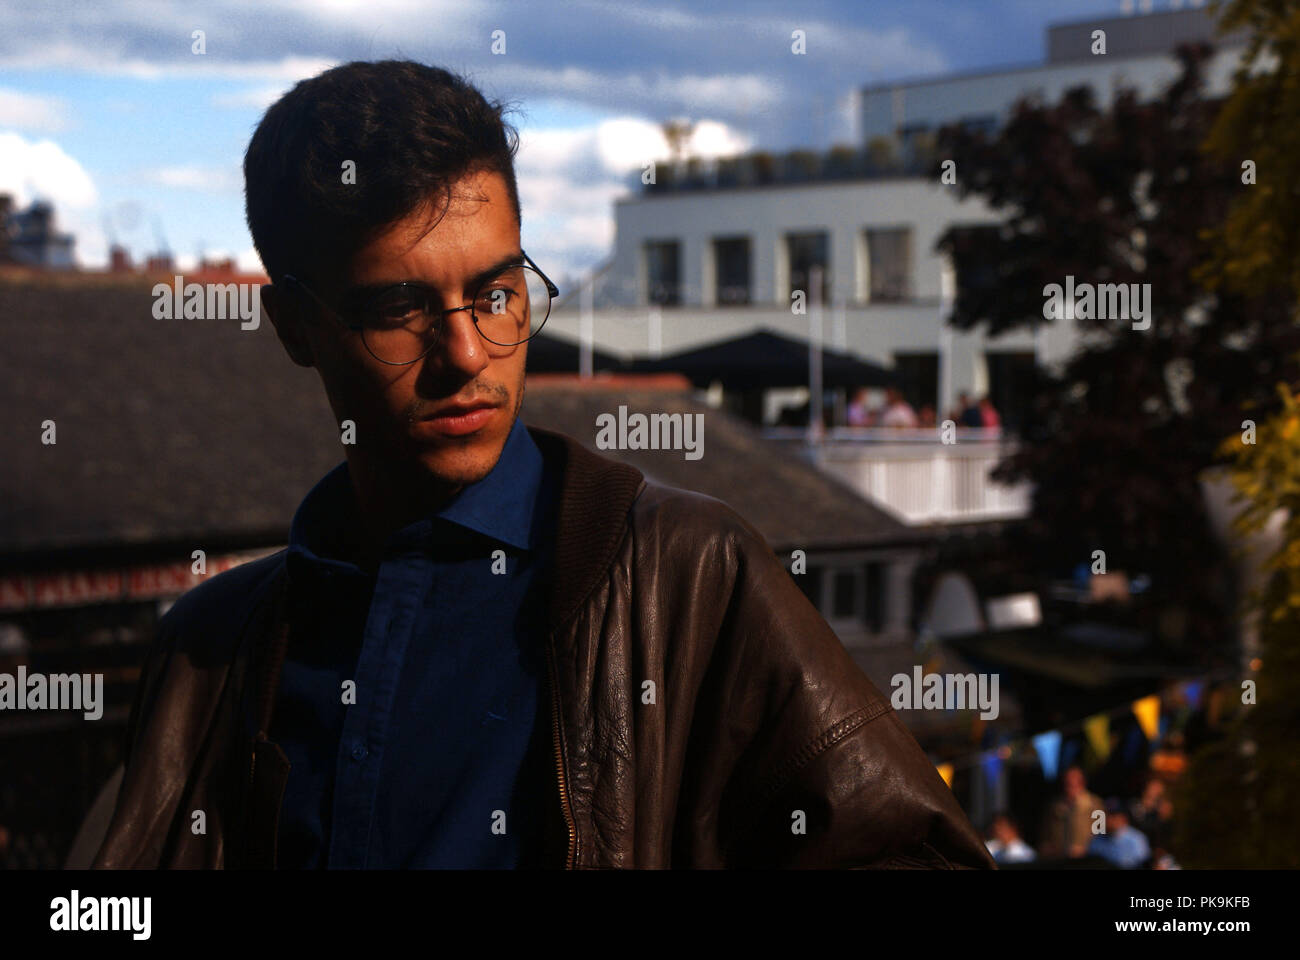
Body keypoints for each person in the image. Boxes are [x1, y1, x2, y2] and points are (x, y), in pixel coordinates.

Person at [86, 61, 993, 870]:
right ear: (295, 329)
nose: (469, 354)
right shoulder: (212, 651)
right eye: (401, 310)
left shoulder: (691, 575)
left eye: (496, 293)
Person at [1039, 765, 1103, 859]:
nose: (1069, 782)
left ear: (1082, 782)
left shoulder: (1095, 804)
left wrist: (1085, 849)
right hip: (1058, 859)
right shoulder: (1055, 805)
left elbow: (1101, 837)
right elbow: (1045, 835)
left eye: (1073, 779)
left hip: (1086, 860)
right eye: (1067, 780)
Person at [1088, 805, 1151, 869]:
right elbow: (1091, 859)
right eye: (1107, 816)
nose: (1109, 820)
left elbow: (1141, 862)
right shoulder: (1098, 838)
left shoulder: (1137, 838)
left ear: (1124, 819)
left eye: (1114, 817)